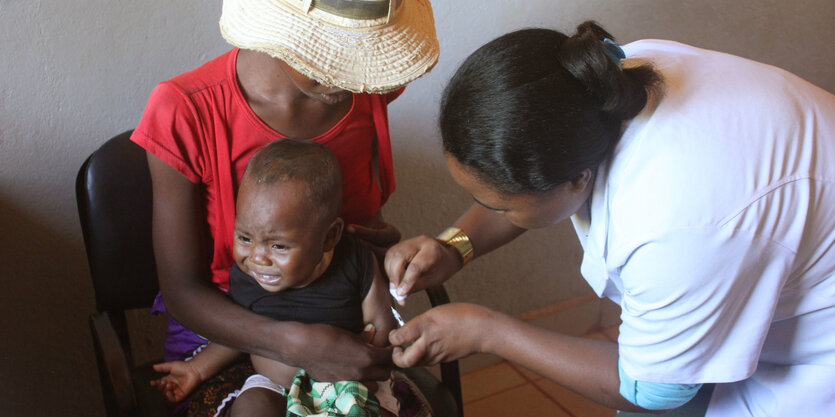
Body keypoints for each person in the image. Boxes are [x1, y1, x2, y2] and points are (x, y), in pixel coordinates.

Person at [383, 21, 835, 417]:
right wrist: (453, 246)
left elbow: (653, 392)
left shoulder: (673, 227)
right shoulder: (596, 82)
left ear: (576, 180)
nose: (484, 211)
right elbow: (519, 182)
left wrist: (490, 331)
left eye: (498, 205)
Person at [131, 0, 438, 414]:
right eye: (334, 51)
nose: (351, 72)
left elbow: (356, 231)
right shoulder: (186, 111)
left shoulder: (365, 89)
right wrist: (298, 343)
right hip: (229, 329)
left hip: (341, 317)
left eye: (362, 52)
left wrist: (377, 247)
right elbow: (182, 292)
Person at [150, 139, 429, 417]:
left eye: (279, 246)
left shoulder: (355, 262)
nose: (257, 257)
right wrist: (196, 369)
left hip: (348, 383)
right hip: (275, 387)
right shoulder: (247, 277)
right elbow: (238, 337)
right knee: (250, 407)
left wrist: (371, 351)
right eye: (245, 238)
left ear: (329, 237)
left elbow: (381, 325)